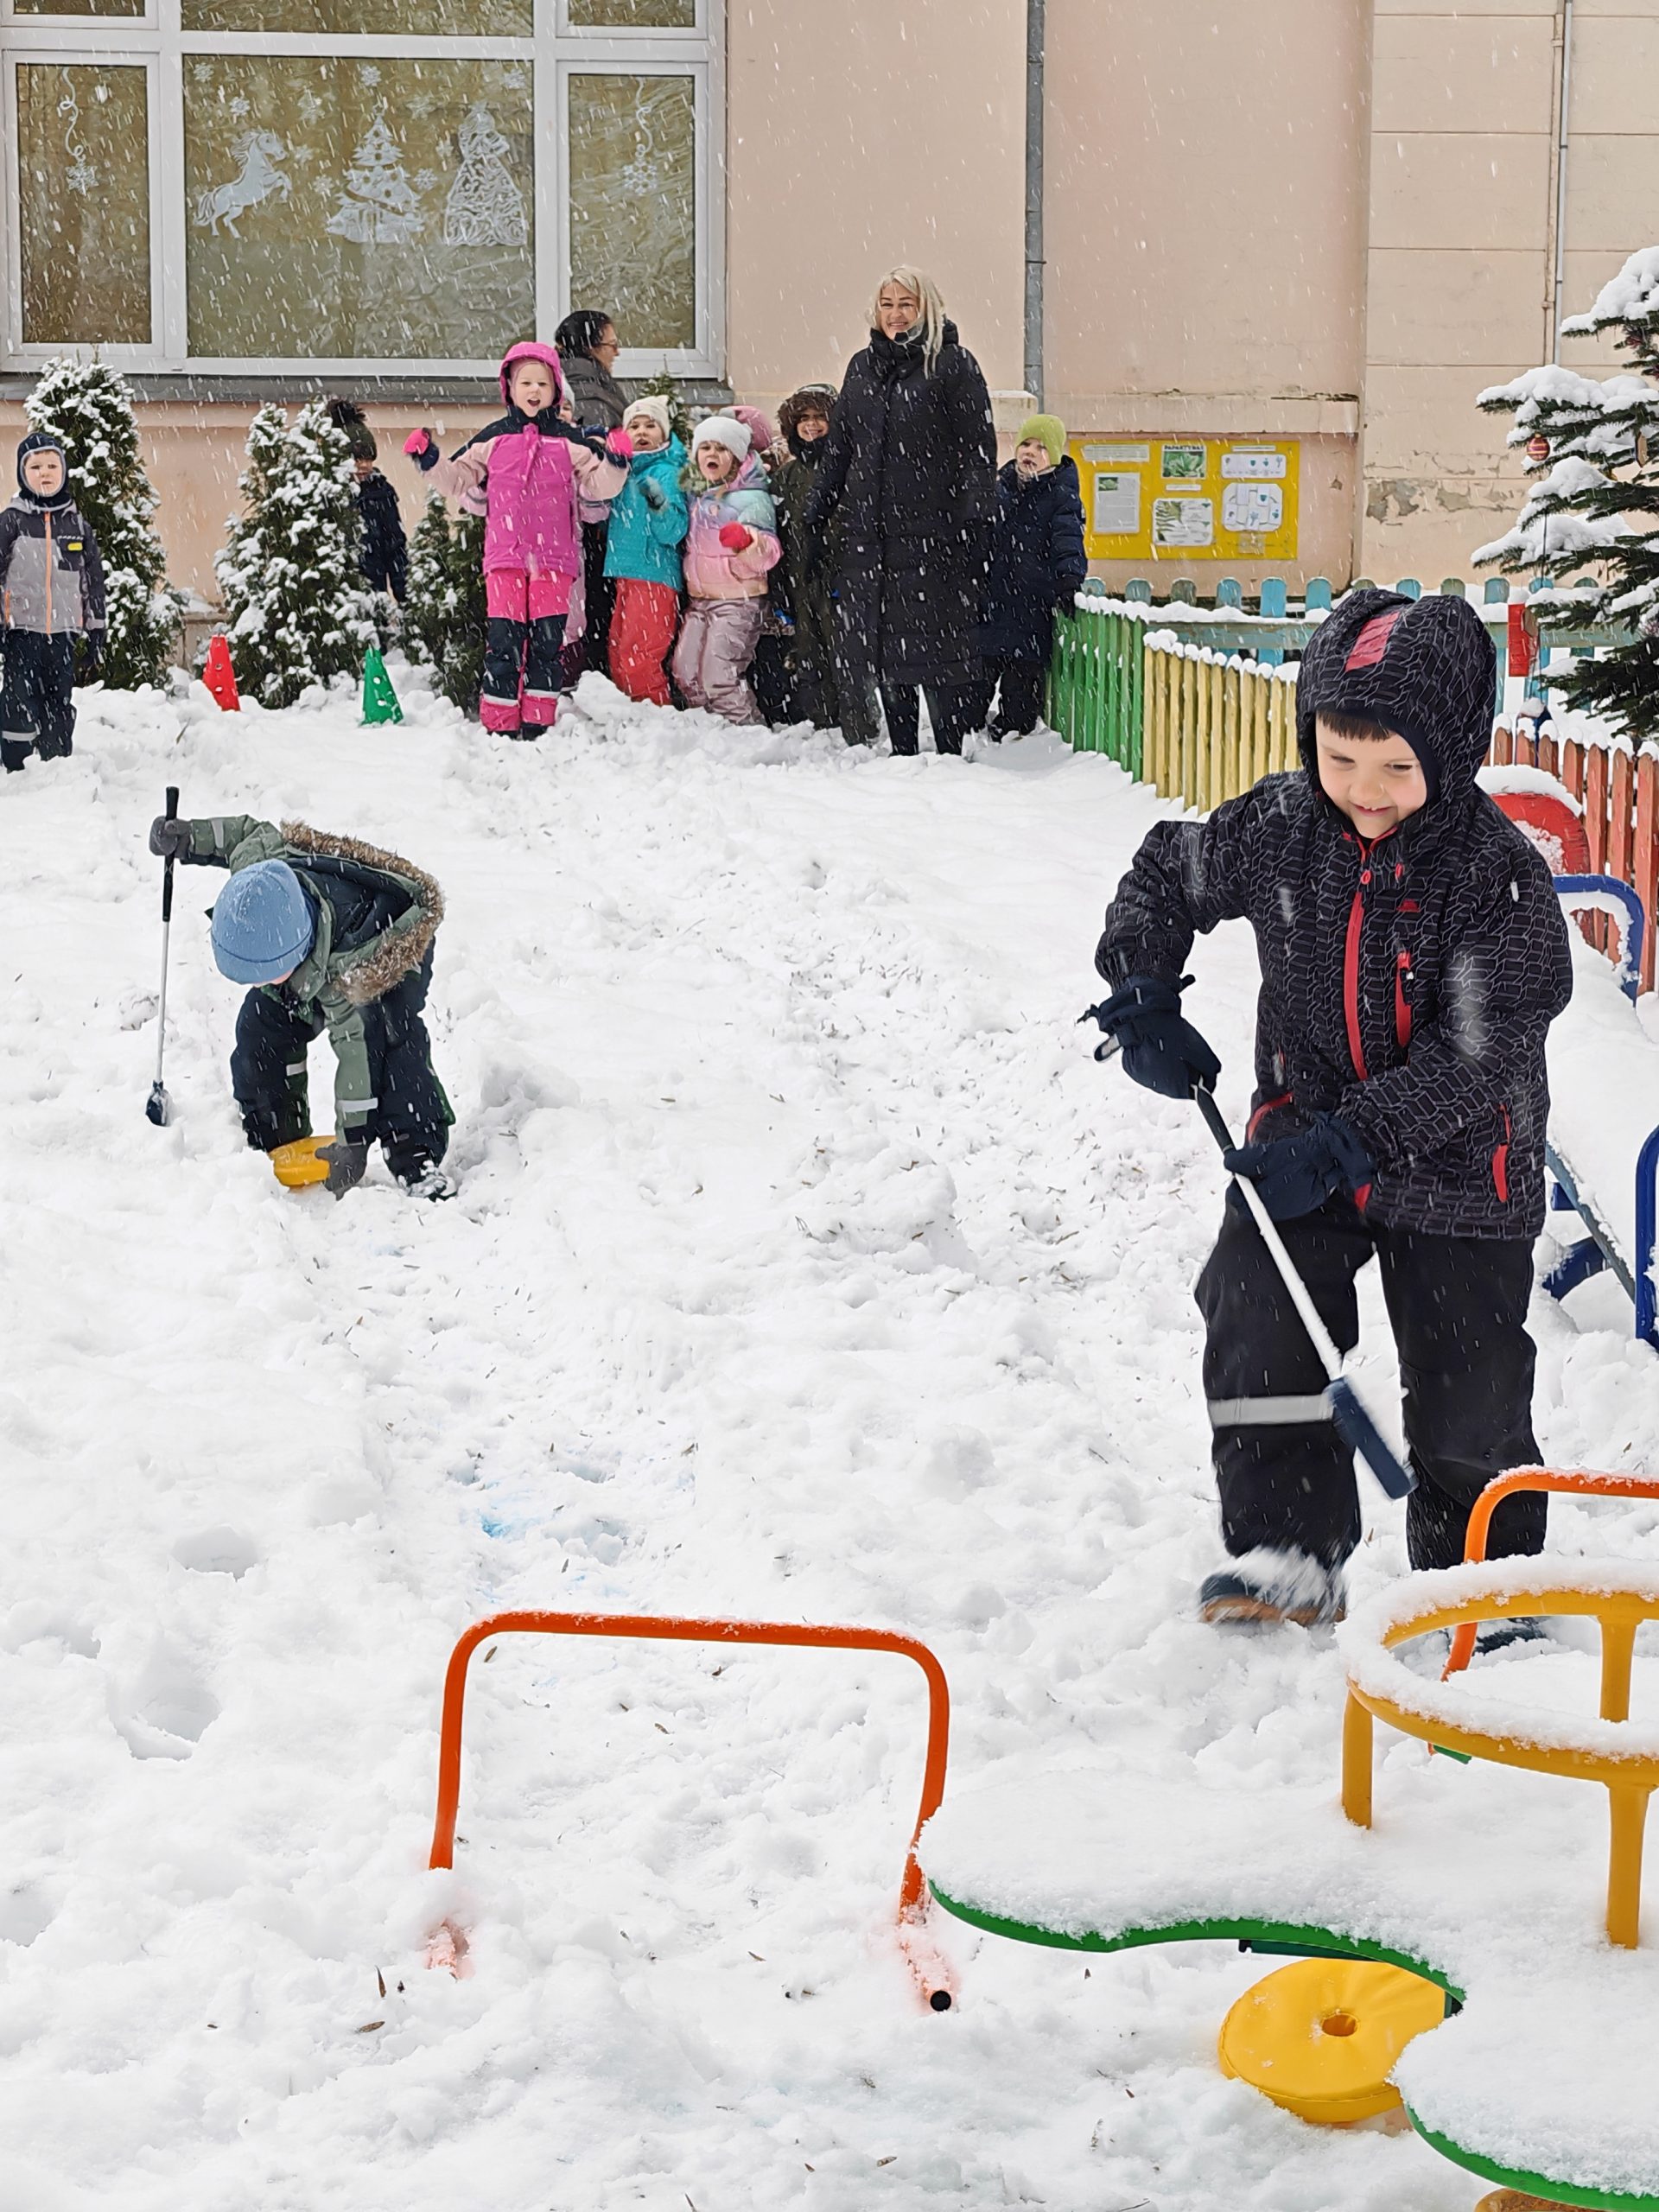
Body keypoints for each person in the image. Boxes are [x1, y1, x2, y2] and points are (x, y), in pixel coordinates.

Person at [1088, 589, 1573, 1628]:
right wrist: (1141, 990)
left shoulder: (1496, 879)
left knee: (1469, 1395)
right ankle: (1289, 1547)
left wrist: (1354, 1140)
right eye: (1339, 758)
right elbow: (1167, 871)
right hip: (1300, 1134)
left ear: (1452, 753)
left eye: (1396, 766)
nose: (1363, 790)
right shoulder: (1283, 828)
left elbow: (1478, 1053)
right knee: (1257, 1312)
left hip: (1461, 1165)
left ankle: (1484, 1585)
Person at [147, 807, 455, 1202]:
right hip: (312, 955)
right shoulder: (261, 874)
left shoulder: (352, 972)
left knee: (391, 1041)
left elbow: (357, 1056)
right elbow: (244, 835)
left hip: (387, 951)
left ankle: (415, 1154)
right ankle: (275, 1131)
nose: (258, 984)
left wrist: (352, 1142)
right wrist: (188, 837)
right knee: (261, 1025)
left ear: (290, 954)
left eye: (264, 973)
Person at [804, 266, 996, 754]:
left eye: (906, 304)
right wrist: (814, 513)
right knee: (889, 653)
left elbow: (977, 449)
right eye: (887, 304)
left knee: (937, 653)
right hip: (872, 541)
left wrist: (975, 521)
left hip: (935, 537)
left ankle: (949, 751)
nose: (896, 314)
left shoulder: (952, 365)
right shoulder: (861, 369)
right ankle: (903, 753)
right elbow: (840, 450)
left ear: (926, 308)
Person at [404, 341, 629, 737]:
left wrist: (615, 461)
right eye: (526, 382)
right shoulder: (494, 438)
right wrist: (430, 460)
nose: (534, 390)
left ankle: (538, 719)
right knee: (504, 641)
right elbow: (458, 479)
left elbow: (599, 487)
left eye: (543, 383)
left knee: (547, 643)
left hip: (554, 560)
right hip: (505, 559)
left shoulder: (569, 441)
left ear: (555, 390)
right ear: (509, 387)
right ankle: (500, 721)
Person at [969, 413, 1085, 739]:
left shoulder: (1061, 495)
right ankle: (967, 731)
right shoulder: (1000, 488)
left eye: (1041, 447)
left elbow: (1068, 540)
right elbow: (980, 538)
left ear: (1055, 456)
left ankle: (1014, 736)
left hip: (1031, 606)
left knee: (1021, 690)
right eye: (1026, 444)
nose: (1030, 452)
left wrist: (1068, 580)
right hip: (993, 602)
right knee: (974, 683)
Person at [0, 430, 105, 773]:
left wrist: (96, 629)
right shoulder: (11, 521)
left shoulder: (76, 525)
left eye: (51, 466)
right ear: (22, 474)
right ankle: (15, 765)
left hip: (63, 633)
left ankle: (56, 764)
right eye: (35, 467)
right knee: (18, 699)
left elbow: (92, 581)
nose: (44, 473)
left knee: (58, 699)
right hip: (20, 632)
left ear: (63, 471)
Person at [673, 415, 780, 725]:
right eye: (705, 447)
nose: (712, 454)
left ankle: (748, 732)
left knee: (719, 676)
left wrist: (748, 542)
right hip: (700, 599)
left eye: (721, 448)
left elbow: (769, 552)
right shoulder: (696, 495)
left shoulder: (753, 497)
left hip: (739, 600)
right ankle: (710, 730)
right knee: (686, 672)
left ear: (736, 456)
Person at [769, 384, 848, 732]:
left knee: (843, 657)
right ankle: (820, 722)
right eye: (804, 418)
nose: (811, 425)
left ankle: (854, 725)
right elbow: (776, 532)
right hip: (798, 579)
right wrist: (780, 586)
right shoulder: (786, 476)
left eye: (820, 417)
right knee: (808, 653)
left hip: (838, 579)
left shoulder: (847, 469)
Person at [555, 309, 626, 681]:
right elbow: (591, 467)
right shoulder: (589, 394)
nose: (617, 352)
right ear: (591, 347)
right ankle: (590, 678)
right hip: (591, 524)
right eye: (612, 344)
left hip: (574, 524)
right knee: (594, 605)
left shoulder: (571, 385)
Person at [604, 394, 687, 707]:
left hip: (654, 574)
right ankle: (635, 717)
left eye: (650, 425)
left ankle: (656, 715)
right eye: (634, 426)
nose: (641, 431)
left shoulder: (667, 472)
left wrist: (659, 502)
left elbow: (674, 531)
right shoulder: (623, 471)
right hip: (626, 572)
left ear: (664, 433)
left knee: (639, 655)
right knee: (619, 653)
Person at [328, 398, 407, 603]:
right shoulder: (329, 494)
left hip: (374, 591)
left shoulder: (381, 492)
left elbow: (395, 545)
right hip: (338, 594)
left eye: (368, 459)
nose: (364, 465)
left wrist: (403, 593)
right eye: (357, 459)